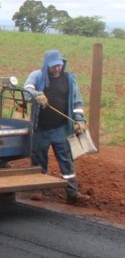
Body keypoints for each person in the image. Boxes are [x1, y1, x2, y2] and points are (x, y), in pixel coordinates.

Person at [24, 50, 91, 205]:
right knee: (38, 158)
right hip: (40, 127)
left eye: (59, 65)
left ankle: (72, 193)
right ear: (47, 65)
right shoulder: (37, 76)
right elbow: (26, 90)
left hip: (61, 128)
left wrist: (79, 120)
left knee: (66, 160)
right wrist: (36, 94)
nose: (57, 69)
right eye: (54, 66)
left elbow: (77, 102)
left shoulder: (69, 79)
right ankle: (37, 189)